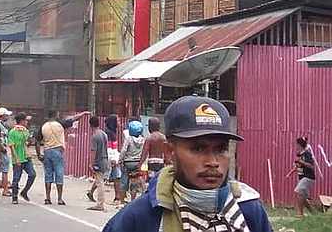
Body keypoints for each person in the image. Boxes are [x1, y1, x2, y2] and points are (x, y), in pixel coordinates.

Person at [103, 96, 273, 232]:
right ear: (170, 152)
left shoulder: (248, 209)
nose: (213, 162)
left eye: (221, 149)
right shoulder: (139, 218)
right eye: (198, 149)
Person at [37, 109, 88, 205]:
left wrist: (39, 155)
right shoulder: (59, 124)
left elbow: (37, 142)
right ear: (56, 115)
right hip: (57, 151)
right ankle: (59, 199)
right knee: (59, 174)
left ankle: (47, 198)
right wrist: (83, 114)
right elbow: (73, 119)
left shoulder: (43, 126)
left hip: (47, 151)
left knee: (48, 175)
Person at [8, 112, 35, 204]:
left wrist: (30, 140)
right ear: (22, 121)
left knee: (32, 174)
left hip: (27, 157)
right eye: (26, 120)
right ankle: (14, 196)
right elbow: (11, 146)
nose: (27, 122)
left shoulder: (25, 131)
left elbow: (27, 143)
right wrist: (16, 159)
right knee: (16, 178)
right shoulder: (12, 132)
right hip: (18, 157)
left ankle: (24, 191)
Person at [88, 116, 110, 212]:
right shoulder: (104, 134)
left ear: (90, 125)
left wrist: (91, 164)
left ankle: (100, 204)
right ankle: (92, 194)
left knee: (99, 182)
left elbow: (93, 151)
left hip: (98, 161)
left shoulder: (95, 136)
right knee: (99, 180)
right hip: (105, 159)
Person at [121, 119, 146, 203]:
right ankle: (132, 200)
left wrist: (120, 160)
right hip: (137, 163)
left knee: (124, 180)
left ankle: (122, 199)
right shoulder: (143, 140)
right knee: (134, 182)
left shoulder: (129, 139)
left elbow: (124, 150)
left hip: (128, 162)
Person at [139, 117, 169, 183]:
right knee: (159, 180)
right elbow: (166, 152)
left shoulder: (149, 138)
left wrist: (140, 164)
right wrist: (167, 162)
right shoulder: (163, 138)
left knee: (151, 180)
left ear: (150, 126)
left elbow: (145, 153)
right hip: (161, 162)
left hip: (151, 163)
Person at [293, 136, 317, 217]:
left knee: (299, 192)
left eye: (297, 144)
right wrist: (291, 172)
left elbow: (311, 166)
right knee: (303, 196)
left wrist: (301, 162)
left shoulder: (307, 153)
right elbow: (298, 166)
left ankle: (300, 214)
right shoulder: (300, 154)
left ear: (300, 144)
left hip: (308, 177)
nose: (296, 145)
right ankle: (313, 213)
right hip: (302, 178)